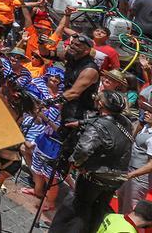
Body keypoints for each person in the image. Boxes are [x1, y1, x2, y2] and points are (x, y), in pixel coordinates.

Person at [49, 91, 136, 233]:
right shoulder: (126, 122)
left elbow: (83, 149)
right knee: (98, 210)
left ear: (101, 104)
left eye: (97, 98)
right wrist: (81, 123)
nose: (95, 99)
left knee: (78, 209)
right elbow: (108, 124)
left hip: (94, 177)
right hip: (115, 178)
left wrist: (75, 164)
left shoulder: (98, 125)